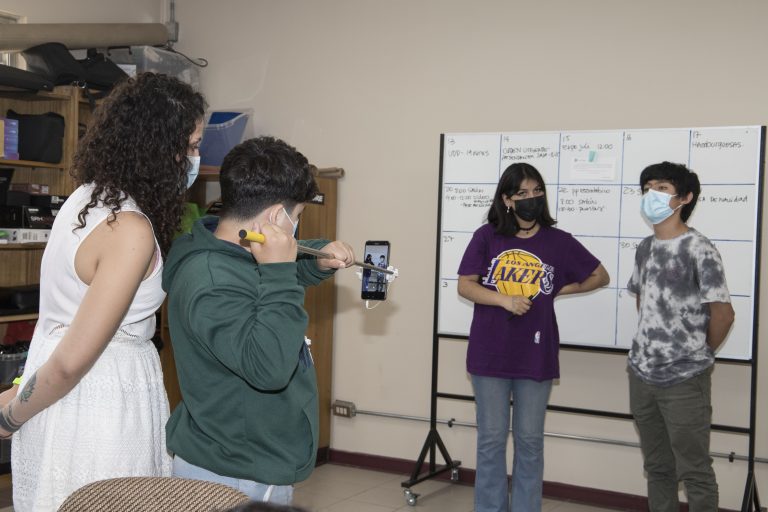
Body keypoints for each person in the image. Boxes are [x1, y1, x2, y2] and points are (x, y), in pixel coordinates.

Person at [0, 73, 206, 511]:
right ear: (157, 146)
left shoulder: (84, 200)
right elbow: (71, 364)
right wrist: (8, 418)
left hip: (60, 399)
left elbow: (65, 327)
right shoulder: (129, 229)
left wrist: (19, 396)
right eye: (190, 146)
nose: (195, 159)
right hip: (98, 407)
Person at [162, 136, 354, 504]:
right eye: (296, 217)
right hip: (236, 474)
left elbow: (256, 282)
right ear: (274, 217)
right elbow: (268, 366)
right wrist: (281, 273)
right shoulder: (212, 282)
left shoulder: (228, 250)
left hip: (245, 461)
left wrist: (314, 260)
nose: (296, 226)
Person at [457, 162, 609, 512]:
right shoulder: (487, 236)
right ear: (507, 199)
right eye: (523, 193)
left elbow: (600, 276)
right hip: (489, 353)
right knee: (492, 441)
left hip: (535, 355)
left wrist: (557, 290)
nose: (532, 198)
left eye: (537, 191)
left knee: (529, 442)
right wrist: (503, 298)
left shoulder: (559, 241)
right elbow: (466, 284)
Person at [627, 161, 734, 512]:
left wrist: (698, 354)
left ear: (685, 197)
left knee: (695, 470)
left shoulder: (698, 248)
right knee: (658, 467)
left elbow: (722, 313)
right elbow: (644, 301)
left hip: (685, 379)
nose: (651, 195)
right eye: (647, 188)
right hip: (641, 375)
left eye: (661, 188)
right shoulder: (644, 248)